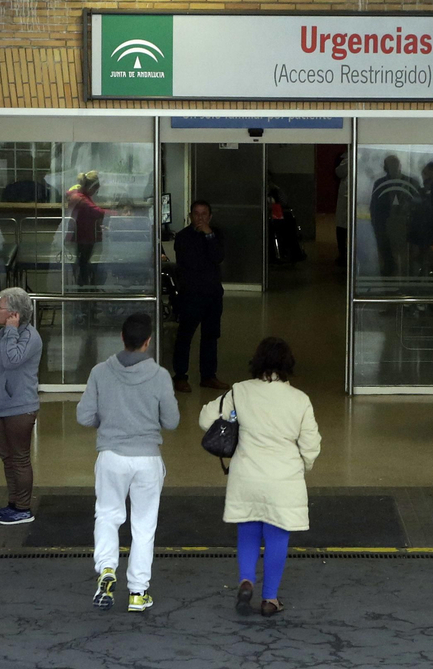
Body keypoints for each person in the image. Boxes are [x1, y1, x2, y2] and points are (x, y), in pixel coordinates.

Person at [198, 337, 321, 617]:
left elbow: (207, 419)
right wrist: (305, 466)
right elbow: (311, 446)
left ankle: (245, 580)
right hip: (283, 479)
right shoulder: (300, 400)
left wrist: (232, 414)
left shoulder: (240, 391)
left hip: (246, 477)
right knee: (277, 535)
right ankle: (270, 599)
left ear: (257, 362)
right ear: (288, 364)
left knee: (248, 531)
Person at [78, 314, 179, 613]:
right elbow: (172, 422)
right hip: (147, 459)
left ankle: (107, 570)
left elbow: (84, 416)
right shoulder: (160, 376)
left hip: (111, 456)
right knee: (144, 526)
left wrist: (107, 420)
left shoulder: (100, 372)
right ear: (148, 342)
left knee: (108, 515)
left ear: (121, 338)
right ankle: (138, 592)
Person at [0, 287, 43, 526]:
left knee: (19, 458)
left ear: (14, 314)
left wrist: (12, 332)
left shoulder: (29, 337)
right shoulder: (3, 334)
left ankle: (24, 508)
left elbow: (11, 360)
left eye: (1, 306)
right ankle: (13, 503)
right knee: (7, 458)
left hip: (19, 408)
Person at [172, 200, 226, 393]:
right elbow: (190, 263)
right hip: (191, 294)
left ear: (210, 216)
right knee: (185, 336)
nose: (200, 218)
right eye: (196, 214)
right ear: (190, 216)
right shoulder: (183, 237)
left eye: (204, 214)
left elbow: (218, 257)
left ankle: (208, 376)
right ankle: (180, 376)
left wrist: (209, 236)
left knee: (211, 336)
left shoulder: (215, 234)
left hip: (213, 294)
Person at [369, 155, 419, 277]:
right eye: (390, 166)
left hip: (405, 226)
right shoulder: (381, 183)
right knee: (388, 255)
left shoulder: (410, 183)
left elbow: (418, 206)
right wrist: (377, 226)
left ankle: (405, 276)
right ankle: (390, 275)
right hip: (387, 225)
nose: (392, 168)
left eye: (394, 165)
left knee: (405, 255)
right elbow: (375, 207)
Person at [65, 171, 108, 288]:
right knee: (84, 268)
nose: (95, 193)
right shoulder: (80, 199)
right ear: (91, 187)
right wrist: (117, 213)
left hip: (84, 236)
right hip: (83, 237)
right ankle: (84, 295)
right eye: (95, 190)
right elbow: (97, 212)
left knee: (84, 266)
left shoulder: (79, 196)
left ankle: (85, 291)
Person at [333, 152, 350, 268]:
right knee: (342, 226)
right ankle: (343, 254)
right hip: (346, 197)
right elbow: (339, 172)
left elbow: (339, 172)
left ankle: (346, 254)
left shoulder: (351, 158)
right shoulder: (347, 158)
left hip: (353, 197)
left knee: (345, 227)